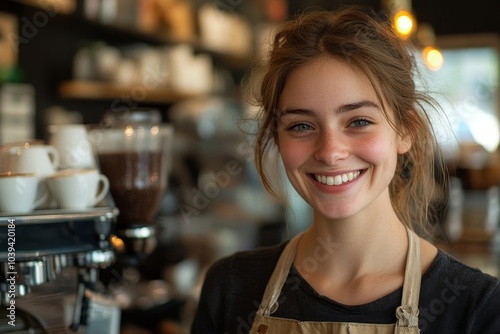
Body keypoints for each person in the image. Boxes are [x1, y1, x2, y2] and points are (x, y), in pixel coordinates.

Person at [191, 6, 500, 334]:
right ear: (276, 138)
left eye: (359, 121)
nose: (330, 152)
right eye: (301, 126)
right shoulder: (230, 288)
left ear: (405, 131)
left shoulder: (477, 308)